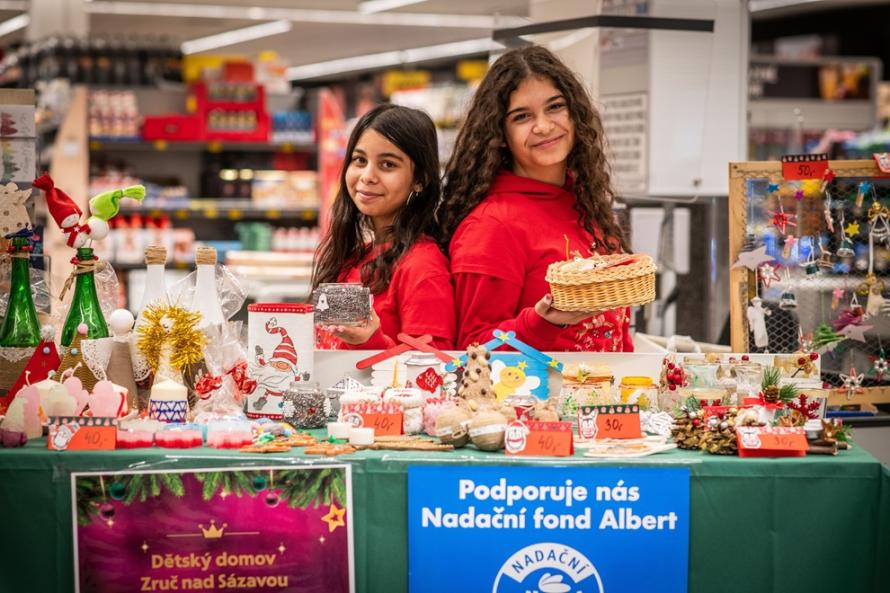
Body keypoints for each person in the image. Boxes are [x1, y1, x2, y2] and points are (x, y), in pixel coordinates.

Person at [439, 45, 633, 352]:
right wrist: (544, 323)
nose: (543, 126)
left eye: (555, 107)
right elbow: (473, 349)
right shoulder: (492, 226)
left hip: (605, 396)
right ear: (500, 134)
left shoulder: (587, 206)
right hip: (537, 398)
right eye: (522, 116)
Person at [313, 104, 455, 350]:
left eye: (388, 164)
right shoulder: (355, 255)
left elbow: (432, 370)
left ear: (420, 180)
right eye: (360, 160)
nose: (367, 175)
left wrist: (370, 341)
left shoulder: (422, 265)